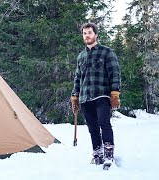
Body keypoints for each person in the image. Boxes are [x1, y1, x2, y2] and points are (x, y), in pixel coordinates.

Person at [70, 22, 121, 166]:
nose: (87, 35)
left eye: (89, 33)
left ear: (96, 34)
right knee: (92, 128)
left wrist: (115, 93)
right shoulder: (81, 56)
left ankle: (109, 156)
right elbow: (78, 77)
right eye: (84, 33)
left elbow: (115, 73)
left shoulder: (107, 52)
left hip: (102, 95)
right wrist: (75, 96)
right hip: (85, 97)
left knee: (104, 124)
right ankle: (98, 155)